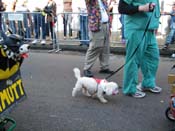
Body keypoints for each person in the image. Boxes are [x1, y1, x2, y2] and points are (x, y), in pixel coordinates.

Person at [118, 0, 162, 98]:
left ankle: (148, 83)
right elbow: (122, 8)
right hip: (136, 29)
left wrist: (155, 24)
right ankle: (130, 89)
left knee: (152, 58)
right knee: (133, 61)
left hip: (149, 30)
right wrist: (141, 8)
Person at [83, 0, 114, 77]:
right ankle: (87, 68)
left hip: (105, 24)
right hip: (96, 24)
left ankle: (104, 67)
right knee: (95, 46)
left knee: (105, 47)